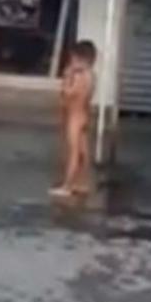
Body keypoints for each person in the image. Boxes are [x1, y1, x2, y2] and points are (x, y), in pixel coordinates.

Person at [50, 41, 97, 197]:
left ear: (79, 59)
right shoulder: (91, 75)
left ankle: (67, 185)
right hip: (84, 115)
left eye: (73, 59)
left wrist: (66, 78)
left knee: (73, 152)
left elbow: (69, 93)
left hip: (74, 117)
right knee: (83, 152)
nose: (71, 62)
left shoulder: (78, 77)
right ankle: (82, 182)